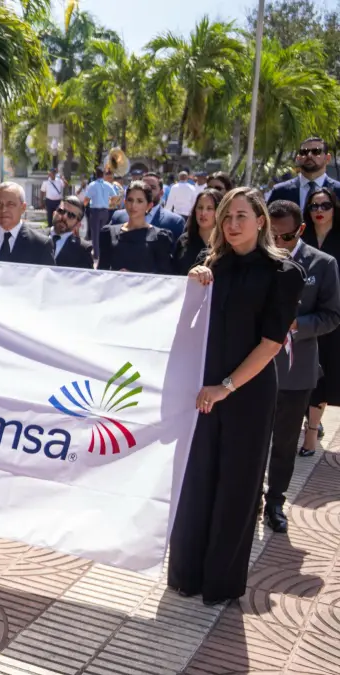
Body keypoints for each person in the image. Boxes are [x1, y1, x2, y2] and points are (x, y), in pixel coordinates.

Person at [172, 187, 305, 605]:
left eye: (242, 216)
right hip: (202, 392)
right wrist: (192, 285)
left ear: (261, 220)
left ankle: (221, 582)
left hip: (246, 393)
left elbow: (270, 344)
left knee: (238, 486)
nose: (232, 224)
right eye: (227, 216)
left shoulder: (285, 273)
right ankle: (186, 575)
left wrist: (225, 387)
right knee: (197, 481)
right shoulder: (208, 265)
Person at [264, 199, 340, 533]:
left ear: (301, 230)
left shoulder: (322, 264)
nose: (279, 244)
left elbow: (333, 315)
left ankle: (275, 502)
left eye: (286, 237)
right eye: (273, 236)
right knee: (251, 440)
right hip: (255, 368)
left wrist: (297, 324)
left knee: (283, 444)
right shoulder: (258, 256)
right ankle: (248, 498)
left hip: (297, 371)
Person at [300, 186, 340, 457]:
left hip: (333, 317)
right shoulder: (301, 239)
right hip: (305, 316)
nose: (319, 211)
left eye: (325, 206)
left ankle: (312, 430)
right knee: (306, 372)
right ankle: (309, 421)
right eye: (314, 206)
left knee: (326, 373)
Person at [99, 181, 176, 274]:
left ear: (149, 206)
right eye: (130, 200)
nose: (133, 205)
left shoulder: (160, 237)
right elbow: (101, 271)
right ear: (125, 202)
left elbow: (164, 275)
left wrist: (134, 277)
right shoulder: (109, 233)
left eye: (139, 201)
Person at [268, 137, 340, 210]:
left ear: (327, 158)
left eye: (316, 151)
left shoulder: (338, 190)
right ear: (298, 158)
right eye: (304, 152)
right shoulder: (280, 191)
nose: (309, 155)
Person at [111, 172, 185, 240]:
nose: (148, 190)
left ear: (161, 193)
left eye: (153, 187)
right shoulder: (119, 217)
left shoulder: (174, 221)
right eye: (144, 186)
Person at [174, 189, 223, 275]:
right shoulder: (184, 240)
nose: (203, 213)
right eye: (200, 208)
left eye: (209, 208)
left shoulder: (225, 244)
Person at [83, 168, 120, 259]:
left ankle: (96, 255)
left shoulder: (92, 185)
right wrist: (109, 203)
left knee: (95, 234)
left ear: (95, 174)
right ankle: (104, 253)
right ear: (103, 174)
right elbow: (115, 197)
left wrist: (83, 205)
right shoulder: (108, 185)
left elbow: (86, 199)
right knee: (104, 233)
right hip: (105, 211)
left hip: (95, 211)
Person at [50, 196, 93, 269]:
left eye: (71, 215)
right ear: (54, 213)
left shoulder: (83, 250)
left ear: (78, 224)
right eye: (61, 211)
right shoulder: (34, 237)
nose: (64, 216)